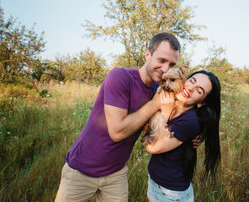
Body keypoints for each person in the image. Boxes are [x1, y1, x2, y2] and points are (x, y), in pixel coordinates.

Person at [55, 32, 181, 202]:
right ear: (148, 55)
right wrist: (155, 104)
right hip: (80, 170)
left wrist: (197, 132)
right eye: (161, 60)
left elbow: (185, 105)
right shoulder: (120, 77)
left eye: (172, 64)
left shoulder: (160, 89)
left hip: (116, 173)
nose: (165, 69)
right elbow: (117, 132)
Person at [146, 70, 221, 202]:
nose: (190, 88)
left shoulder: (189, 121)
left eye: (199, 91)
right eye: (192, 81)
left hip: (169, 192)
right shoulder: (169, 98)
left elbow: (153, 147)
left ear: (202, 102)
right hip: (156, 181)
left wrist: (165, 114)